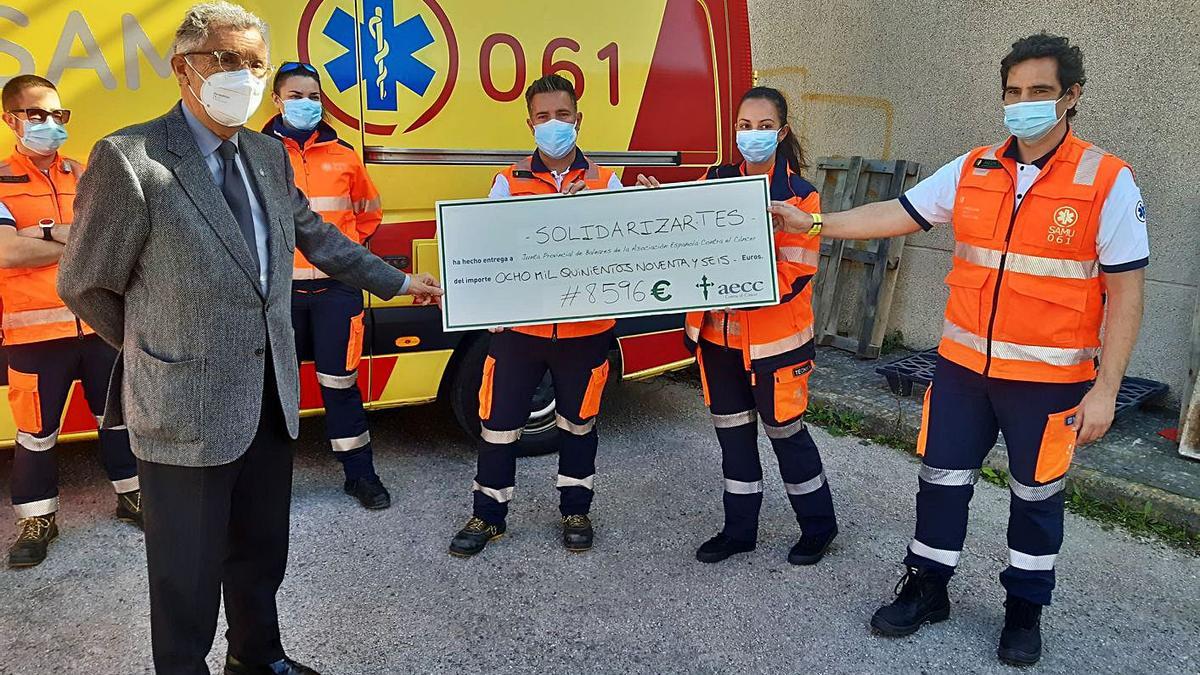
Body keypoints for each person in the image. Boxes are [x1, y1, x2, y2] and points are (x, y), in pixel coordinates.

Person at [57, 3, 441, 674]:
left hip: (268, 395)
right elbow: (86, 283)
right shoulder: (131, 158)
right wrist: (156, 345)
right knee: (186, 572)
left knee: (261, 549)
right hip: (183, 403)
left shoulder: (266, 154)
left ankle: (257, 658)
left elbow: (318, 239)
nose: (243, 76)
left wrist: (401, 284)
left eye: (254, 63)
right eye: (224, 60)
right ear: (183, 68)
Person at [770, 33, 1147, 667]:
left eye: (1041, 92)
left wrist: (1106, 388)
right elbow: (899, 211)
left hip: (1050, 382)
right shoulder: (975, 168)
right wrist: (815, 222)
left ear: (1072, 96)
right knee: (940, 483)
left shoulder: (1106, 179)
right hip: (964, 371)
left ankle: (1024, 609)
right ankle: (927, 589)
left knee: (1036, 497)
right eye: (1014, 92)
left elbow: (1127, 293)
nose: (1024, 103)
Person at [447, 74, 625, 558]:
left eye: (562, 115)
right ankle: (488, 516)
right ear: (530, 124)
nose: (554, 125)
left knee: (578, 423)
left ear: (578, 119)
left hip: (585, 331)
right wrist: (486, 306)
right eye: (543, 117)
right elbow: (486, 249)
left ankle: (575, 509)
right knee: (498, 424)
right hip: (519, 333)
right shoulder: (508, 181)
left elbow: (625, 252)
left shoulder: (608, 183)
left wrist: (633, 208)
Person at [682, 87, 838, 566]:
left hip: (776, 344)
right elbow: (684, 234)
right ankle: (738, 530)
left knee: (785, 434)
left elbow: (795, 272)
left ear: (782, 132)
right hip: (717, 339)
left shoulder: (799, 196)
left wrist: (731, 278)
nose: (753, 135)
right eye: (744, 126)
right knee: (733, 437)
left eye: (764, 126)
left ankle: (818, 528)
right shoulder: (714, 179)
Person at [0, 74, 142, 569]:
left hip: (99, 323)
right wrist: (57, 231)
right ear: (10, 118)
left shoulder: (86, 174)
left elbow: (110, 240)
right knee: (36, 433)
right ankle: (38, 519)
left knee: (118, 419)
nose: (50, 124)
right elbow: (6, 252)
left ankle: (133, 496)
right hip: (35, 334)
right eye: (37, 115)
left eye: (58, 115)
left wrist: (42, 236)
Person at [264, 61, 390, 510]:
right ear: (276, 101)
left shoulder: (344, 154)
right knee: (277, 392)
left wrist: (346, 258)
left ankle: (361, 476)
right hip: (280, 296)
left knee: (341, 385)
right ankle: (269, 486)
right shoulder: (257, 153)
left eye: (314, 96)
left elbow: (368, 215)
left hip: (337, 292)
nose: (307, 104)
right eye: (296, 96)